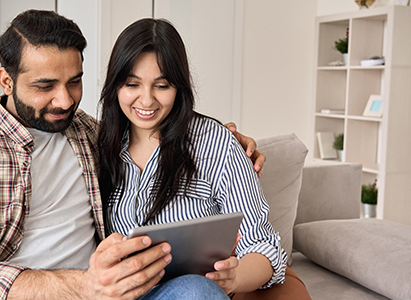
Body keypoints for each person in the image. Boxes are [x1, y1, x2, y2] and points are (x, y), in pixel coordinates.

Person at [0, 10, 264, 300]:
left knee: (196, 292)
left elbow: (154, 126)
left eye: (74, 82)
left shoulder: (92, 133)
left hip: (112, 294)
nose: (65, 100)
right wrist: (85, 285)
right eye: (45, 86)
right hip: (63, 291)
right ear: (6, 81)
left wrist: (229, 138)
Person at [95, 18, 311, 299]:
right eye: (132, 84)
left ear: (179, 87)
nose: (146, 101)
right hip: (123, 293)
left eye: (161, 86)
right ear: (115, 86)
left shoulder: (215, 143)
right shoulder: (96, 145)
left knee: (197, 290)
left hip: (195, 291)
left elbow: (262, 245)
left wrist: (233, 279)